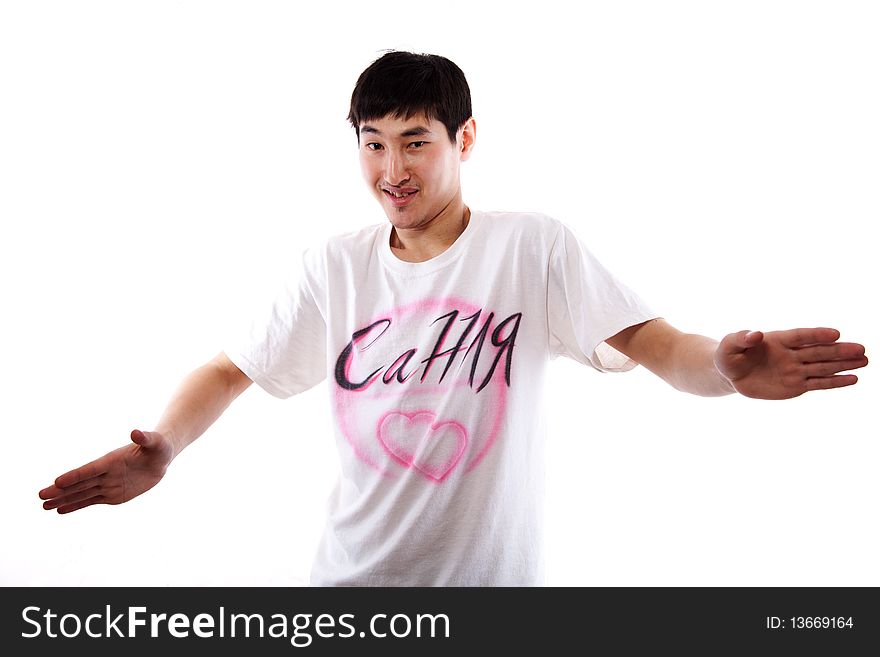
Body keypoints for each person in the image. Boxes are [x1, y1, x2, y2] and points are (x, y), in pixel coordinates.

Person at [39, 51, 868, 586]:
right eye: (372, 143)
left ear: (464, 138)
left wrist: (724, 366)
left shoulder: (531, 248)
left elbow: (661, 347)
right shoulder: (334, 266)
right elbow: (230, 369)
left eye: (414, 141)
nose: (390, 169)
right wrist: (166, 448)